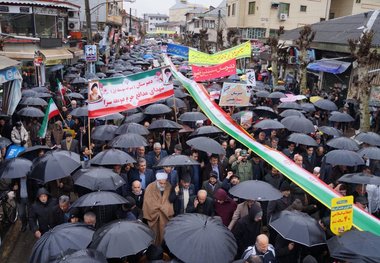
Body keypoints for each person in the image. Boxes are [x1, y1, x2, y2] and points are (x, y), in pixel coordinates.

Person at [143, 172, 175, 245]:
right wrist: (161, 207)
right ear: (157, 181)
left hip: (165, 217)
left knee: (164, 235)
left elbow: (169, 202)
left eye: (164, 183)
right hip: (153, 217)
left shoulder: (169, 186)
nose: (163, 185)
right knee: (154, 236)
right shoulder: (150, 187)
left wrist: (163, 208)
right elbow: (148, 203)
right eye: (161, 183)